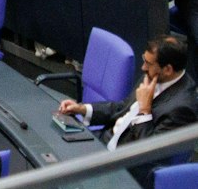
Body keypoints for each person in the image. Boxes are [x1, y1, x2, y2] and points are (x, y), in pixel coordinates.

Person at [56, 35, 198, 180]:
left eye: (148, 63)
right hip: (105, 143)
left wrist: (144, 111)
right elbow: (123, 108)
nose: (143, 67)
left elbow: (152, 154)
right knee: (56, 153)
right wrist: (82, 109)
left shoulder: (182, 108)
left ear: (168, 69)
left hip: (125, 169)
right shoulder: (153, 76)